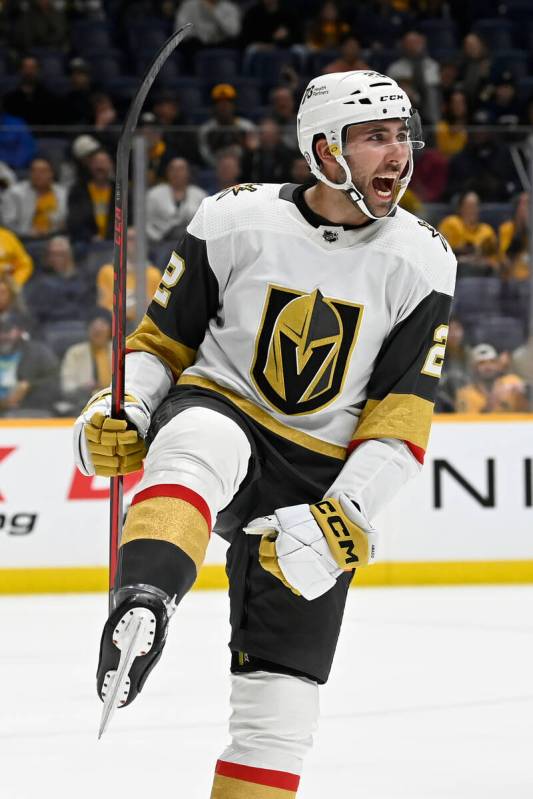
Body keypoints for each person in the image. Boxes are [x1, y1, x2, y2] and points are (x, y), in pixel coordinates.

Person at [73, 70, 456, 796]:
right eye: (374, 136)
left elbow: (400, 412)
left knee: (278, 716)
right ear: (323, 147)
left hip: (320, 474)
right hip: (229, 408)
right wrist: (121, 408)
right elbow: (162, 343)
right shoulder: (232, 219)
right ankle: (145, 598)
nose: (397, 152)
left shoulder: (422, 258)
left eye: (401, 135)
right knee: (195, 446)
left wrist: (347, 511)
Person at [24, 235, 95, 355]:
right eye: (53, 254)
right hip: (50, 330)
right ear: (47, 256)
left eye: (62, 254)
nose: (57, 258)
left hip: (81, 327)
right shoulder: (38, 282)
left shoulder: (85, 279)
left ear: (70, 255)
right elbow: (34, 315)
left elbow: (90, 308)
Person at [96, 228, 162, 326]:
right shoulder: (107, 271)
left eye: (137, 239)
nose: (134, 243)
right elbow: (103, 309)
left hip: (143, 326)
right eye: (130, 239)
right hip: (115, 327)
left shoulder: (154, 274)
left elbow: (158, 310)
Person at [0, 313, 59, 417]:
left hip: (28, 410)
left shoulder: (38, 353)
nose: (3, 335)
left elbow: (55, 384)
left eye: (7, 330)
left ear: (21, 330)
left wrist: (29, 386)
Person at [2, 157, 67, 239]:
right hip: (24, 239)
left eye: (43, 171)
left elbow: (67, 220)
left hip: (56, 237)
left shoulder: (63, 193)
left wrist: (56, 229)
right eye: (34, 171)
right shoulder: (14, 194)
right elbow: (7, 223)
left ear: (51, 173)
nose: (38, 175)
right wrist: (27, 232)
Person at [61, 309, 112, 412]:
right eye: (94, 329)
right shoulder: (75, 353)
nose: (98, 332)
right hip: (82, 404)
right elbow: (66, 386)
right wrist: (83, 388)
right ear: (88, 330)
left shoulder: (121, 351)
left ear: (111, 330)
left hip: (113, 404)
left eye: (102, 330)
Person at [146, 158, 207, 243]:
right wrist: (157, 239)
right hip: (160, 244)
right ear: (167, 173)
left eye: (181, 169)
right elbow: (145, 222)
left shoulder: (200, 195)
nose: (177, 173)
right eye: (173, 169)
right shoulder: (154, 194)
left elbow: (204, 223)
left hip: (191, 244)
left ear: (188, 173)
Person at [456, 343, 528, 413]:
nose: (488, 366)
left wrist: (523, 395)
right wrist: (491, 404)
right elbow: (467, 424)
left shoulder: (512, 380)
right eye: (482, 362)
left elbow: (525, 413)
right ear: (474, 367)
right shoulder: (464, 394)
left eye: (492, 361)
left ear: (498, 365)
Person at [438, 191, 498, 277]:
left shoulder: (487, 230)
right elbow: (442, 253)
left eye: (475, 206)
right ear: (460, 208)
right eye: (468, 206)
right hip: (456, 275)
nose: (472, 210)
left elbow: (494, 260)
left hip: (482, 276)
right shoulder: (451, 223)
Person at [387, 31, 441, 124]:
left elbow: (434, 88)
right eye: (409, 43)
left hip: (429, 110)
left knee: (431, 92)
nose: (413, 47)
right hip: (405, 112)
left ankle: (433, 125)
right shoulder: (395, 69)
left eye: (416, 42)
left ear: (422, 44)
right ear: (403, 45)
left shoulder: (433, 66)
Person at [198, 83, 255, 168]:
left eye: (228, 102)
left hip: (243, 171)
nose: (224, 106)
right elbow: (205, 156)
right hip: (216, 171)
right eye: (220, 103)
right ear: (214, 106)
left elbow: (252, 154)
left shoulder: (246, 126)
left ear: (233, 105)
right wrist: (223, 168)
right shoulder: (206, 129)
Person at [66, 148, 115, 241]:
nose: (100, 166)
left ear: (111, 165)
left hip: (115, 241)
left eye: (103, 162)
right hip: (87, 242)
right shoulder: (78, 191)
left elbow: (129, 219)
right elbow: (74, 221)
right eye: (96, 162)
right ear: (90, 165)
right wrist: (90, 237)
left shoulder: (122, 191)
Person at [241, 117, 294, 184]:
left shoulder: (286, 154)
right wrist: (251, 152)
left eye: (272, 134)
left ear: (278, 135)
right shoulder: (253, 154)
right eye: (266, 134)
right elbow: (246, 175)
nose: (269, 138)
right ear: (260, 135)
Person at [499, 192, 529, 281]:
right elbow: (505, 262)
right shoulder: (506, 229)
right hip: (513, 282)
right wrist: (520, 229)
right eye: (527, 204)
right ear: (517, 209)